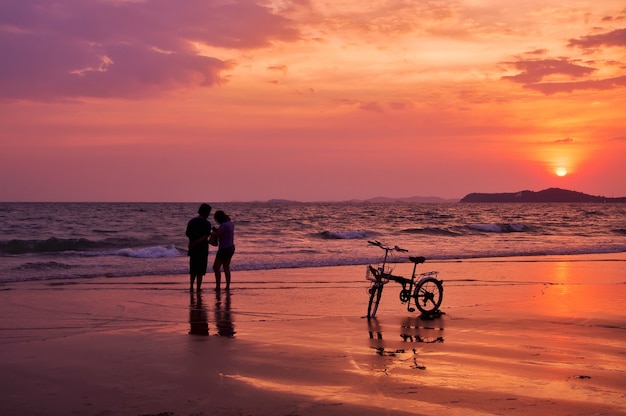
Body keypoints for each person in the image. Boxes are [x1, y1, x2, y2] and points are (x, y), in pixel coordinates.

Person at [186, 203, 212, 292]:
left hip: (192, 247)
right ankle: (198, 288)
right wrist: (197, 242)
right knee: (200, 270)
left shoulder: (192, 221)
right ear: (207, 213)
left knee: (193, 268)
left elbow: (188, 234)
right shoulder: (207, 223)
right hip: (202, 248)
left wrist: (192, 243)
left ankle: (191, 286)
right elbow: (206, 236)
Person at [211, 210, 235, 291]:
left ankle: (218, 286)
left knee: (216, 267)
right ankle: (227, 286)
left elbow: (217, 235)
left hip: (224, 248)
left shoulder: (223, 225)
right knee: (226, 267)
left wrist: (211, 233)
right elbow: (223, 233)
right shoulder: (230, 224)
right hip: (231, 247)